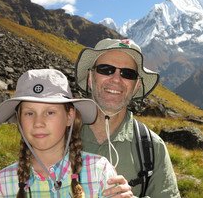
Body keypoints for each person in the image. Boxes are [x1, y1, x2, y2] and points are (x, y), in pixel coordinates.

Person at [0, 69, 133, 197]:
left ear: (69, 116)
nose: (38, 123)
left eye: (50, 112)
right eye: (29, 113)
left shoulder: (99, 172)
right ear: (19, 120)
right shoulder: (3, 184)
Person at [75, 38, 180, 197]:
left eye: (128, 73)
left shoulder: (153, 147)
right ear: (90, 78)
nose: (116, 79)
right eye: (105, 69)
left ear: (136, 86)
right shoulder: (60, 133)